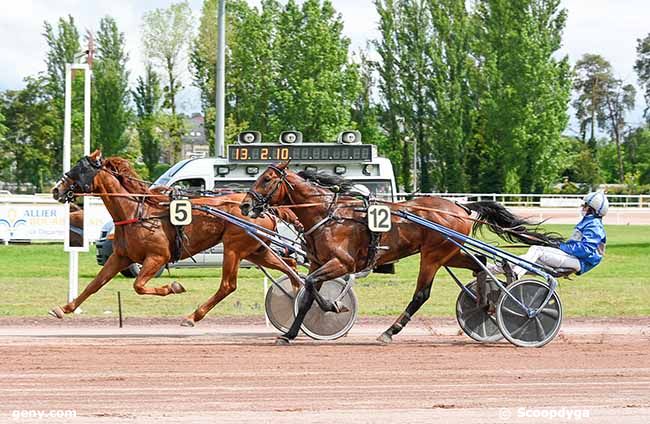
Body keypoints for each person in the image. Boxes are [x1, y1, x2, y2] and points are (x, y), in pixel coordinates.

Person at [493, 191, 608, 279]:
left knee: (536, 250)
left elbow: (585, 250)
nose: (583, 207)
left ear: (592, 209)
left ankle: (516, 276)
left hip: (578, 262)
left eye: (585, 205)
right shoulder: (588, 223)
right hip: (572, 258)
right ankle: (489, 269)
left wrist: (561, 246)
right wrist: (559, 245)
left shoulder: (594, 226)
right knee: (523, 260)